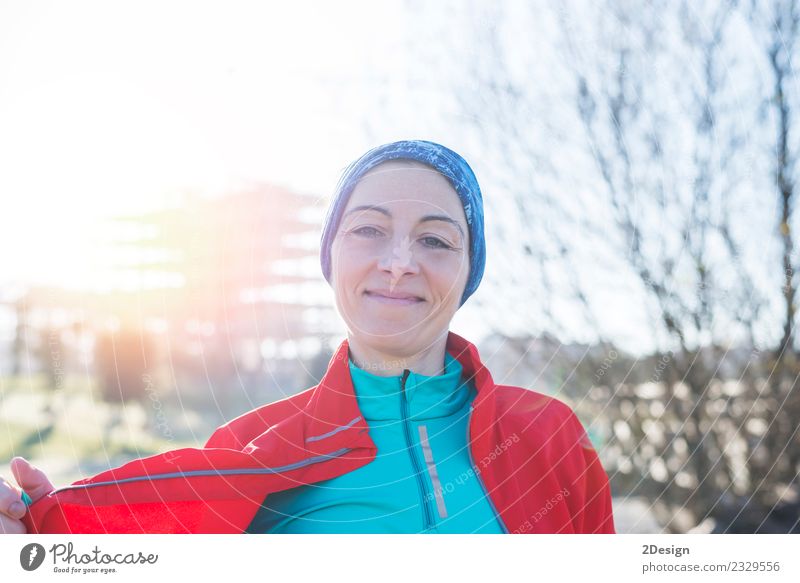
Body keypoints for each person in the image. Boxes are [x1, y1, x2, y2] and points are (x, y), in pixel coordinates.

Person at [0, 140, 615, 534]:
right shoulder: (245, 449)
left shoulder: (550, 435)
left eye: (434, 239)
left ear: (468, 271)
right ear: (330, 258)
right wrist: (44, 544)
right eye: (369, 230)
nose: (399, 261)